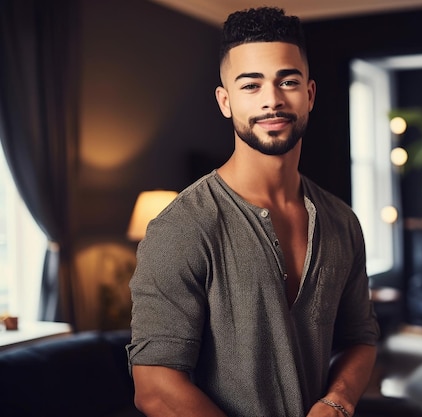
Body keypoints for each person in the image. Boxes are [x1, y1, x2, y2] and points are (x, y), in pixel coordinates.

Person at [126, 6, 380, 417]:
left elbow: (361, 339)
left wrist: (337, 402)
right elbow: (155, 388)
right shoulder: (182, 227)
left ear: (310, 95)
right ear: (225, 102)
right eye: (251, 85)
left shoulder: (341, 221)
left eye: (288, 81)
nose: (273, 100)